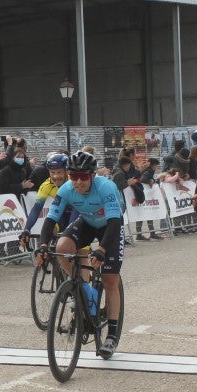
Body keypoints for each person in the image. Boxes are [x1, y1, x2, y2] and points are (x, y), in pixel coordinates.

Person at [36, 151, 125, 358]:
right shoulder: (66, 189)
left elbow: (114, 222)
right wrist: (42, 246)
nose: (78, 182)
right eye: (74, 176)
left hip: (110, 226)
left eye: (83, 177)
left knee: (110, 280)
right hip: (87, 222)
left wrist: (102, 249)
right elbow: (50, 219)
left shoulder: (105, 187)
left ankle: (111, 336)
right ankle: (83, 289)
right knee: (61, 247)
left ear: (92, 175)